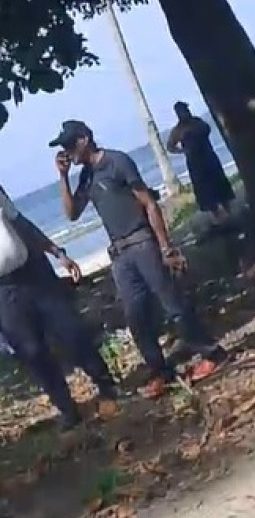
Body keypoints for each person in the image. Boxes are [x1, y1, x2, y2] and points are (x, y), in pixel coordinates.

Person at [52, 120, 227, 399]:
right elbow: (72, 213)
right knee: (136, 317)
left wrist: (166, 248)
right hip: (120, 255)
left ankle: (211, 352)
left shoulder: (117, 162)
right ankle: (161, 371)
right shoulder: (86, 176)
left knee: (173, 304)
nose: (68, 152)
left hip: (142, 242)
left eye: (70, 145)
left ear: (85, 139)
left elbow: (149, 203)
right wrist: (62, 177)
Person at [0, 185, 117, 430]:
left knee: (71, 331)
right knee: (32, 352)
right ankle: (66, 408)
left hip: (34, 273)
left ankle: (106, 385)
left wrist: (57, 252)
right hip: (4, 291)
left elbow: (21, 223)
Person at [167, 102, 235, 227]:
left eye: (186, 109)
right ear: (178, 113)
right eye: (183, 110)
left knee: (219, 183)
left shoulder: (197, 122)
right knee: (204, 191)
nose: (186, 112)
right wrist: (183, 150)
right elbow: (170, 146)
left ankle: (228, 212)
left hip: (208, 156)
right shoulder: (178, 130)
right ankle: (217, 217)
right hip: (195, 163)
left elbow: (207, 129)